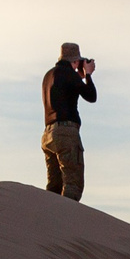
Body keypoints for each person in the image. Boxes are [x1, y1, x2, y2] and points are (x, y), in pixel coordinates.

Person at [41, 43, 97, 201]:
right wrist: (88, 74)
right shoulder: (69, 74)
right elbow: (91, 96)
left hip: (48, 135)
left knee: (54, 187)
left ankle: (48, 214)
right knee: (73, 185)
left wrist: (79, 75)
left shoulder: (49, 75)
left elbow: (64, 88)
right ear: (75, 61)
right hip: (66, 133)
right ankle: (65, 216)